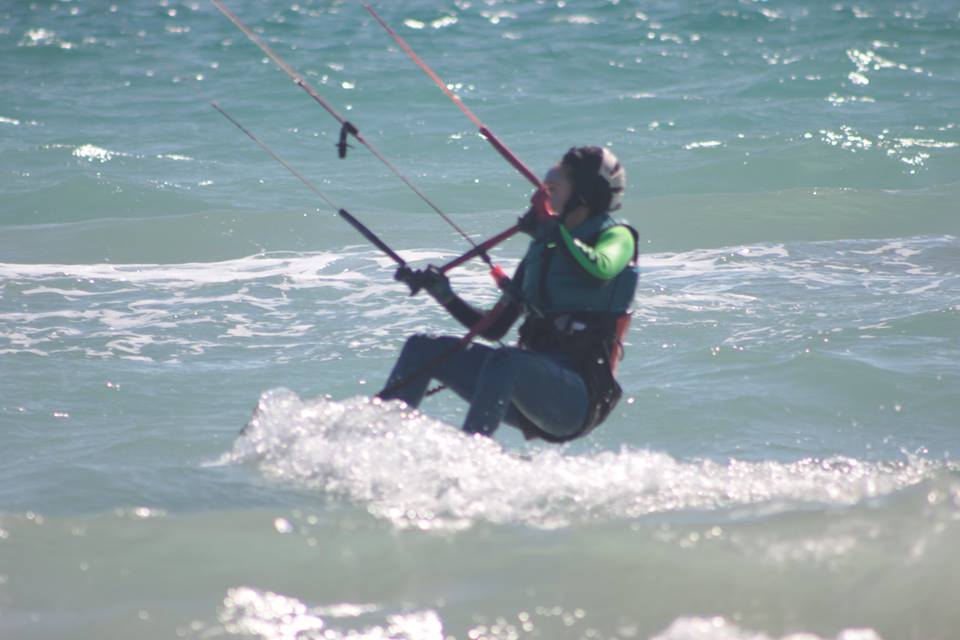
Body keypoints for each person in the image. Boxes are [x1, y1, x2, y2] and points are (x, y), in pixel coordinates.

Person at [377, 146, 638, 442]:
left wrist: (553, 231)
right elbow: (495, 328)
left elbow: (600, 269)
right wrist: (445, 295)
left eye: (552, 189)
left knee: (507, 360)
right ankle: (381, 444)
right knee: (421, 349)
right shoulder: (544, 250)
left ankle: (469, 458)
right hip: (527, 391)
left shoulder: (617, 236)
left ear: (585, 193)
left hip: (577, 398)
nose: (539, 199)